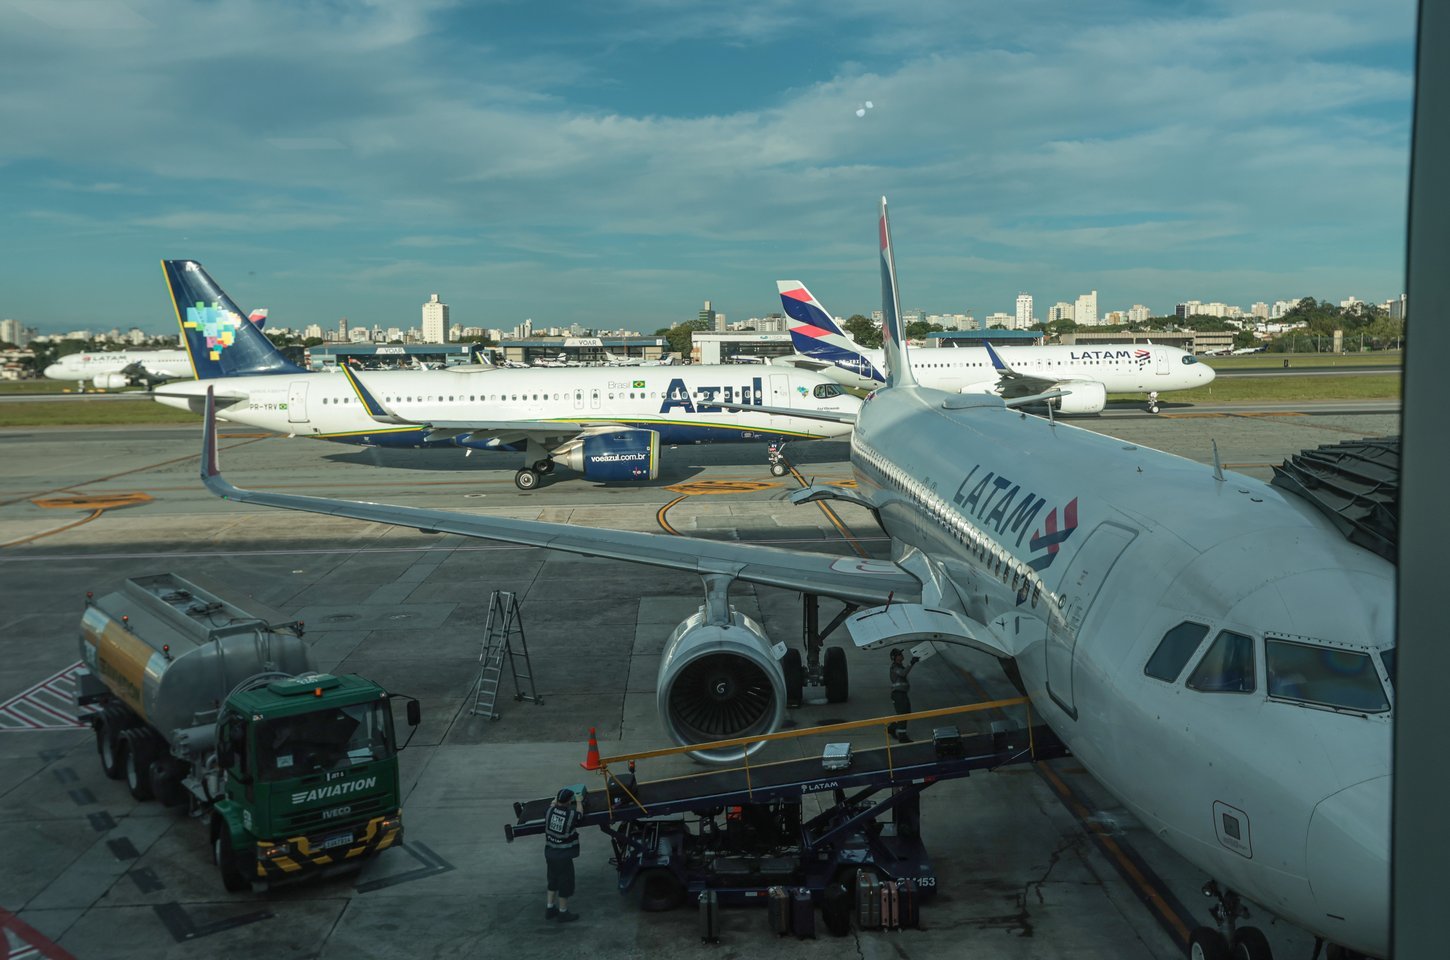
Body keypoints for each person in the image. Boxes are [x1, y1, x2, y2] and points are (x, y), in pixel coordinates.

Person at [544, 786, 585, 922]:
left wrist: (555, 800)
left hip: (550, 853)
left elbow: (552, 804)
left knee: (553, 880)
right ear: (569, 802)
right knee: (565, 883)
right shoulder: (571, 815)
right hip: (563, 855)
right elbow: (580, 814)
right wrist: (579, 801)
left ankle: (550, 908)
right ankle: (563, 912)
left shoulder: (549, 811)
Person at [887, 648, 920, 743]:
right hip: (898, 695)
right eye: (899, 654)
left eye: (901, 654)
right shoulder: (895, 667)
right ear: (894, 657)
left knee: (906, 713)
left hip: (902, 694)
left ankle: (892, 727)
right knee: (903, 714)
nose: (901, 655)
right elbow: (903, 673)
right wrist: (911, 663)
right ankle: (902, 736)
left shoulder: (900, 666)